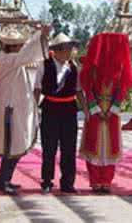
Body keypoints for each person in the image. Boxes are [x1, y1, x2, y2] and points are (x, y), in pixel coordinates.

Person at [0, 26, 51, 195]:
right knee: (11, 144)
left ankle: (2, 178)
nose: (21, 47)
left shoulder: (13, 59)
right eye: (19, 44)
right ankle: (3, 180)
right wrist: (41, 35)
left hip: (14, 106)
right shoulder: (8, 59)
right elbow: (29, 53)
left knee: (15, 143)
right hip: (10, 107)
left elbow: (29, 55)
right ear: (13, 46)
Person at [79, 33, 132, 193]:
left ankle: (106, 180)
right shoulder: (92, 67)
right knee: (94, 143)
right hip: (96, 110)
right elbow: (87, 88)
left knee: (110, 146)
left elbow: (123, 88)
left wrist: (113, 109)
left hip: (111, 111)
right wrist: (95, 108)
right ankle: (95, 180)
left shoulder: (121, 68)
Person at [34, 33, 86, 194]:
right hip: (50, 108)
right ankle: (47, 181)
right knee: (49, 147)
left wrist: (86, 110)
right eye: (65, 49)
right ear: (56, 50)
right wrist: (35, 108)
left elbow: (78, 91)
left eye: (70, 49)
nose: (69, 52)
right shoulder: (44, 65)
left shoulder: (74, 67)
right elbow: (37, 89)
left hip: (69, 110)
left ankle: (68, 182)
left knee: (69, 148)